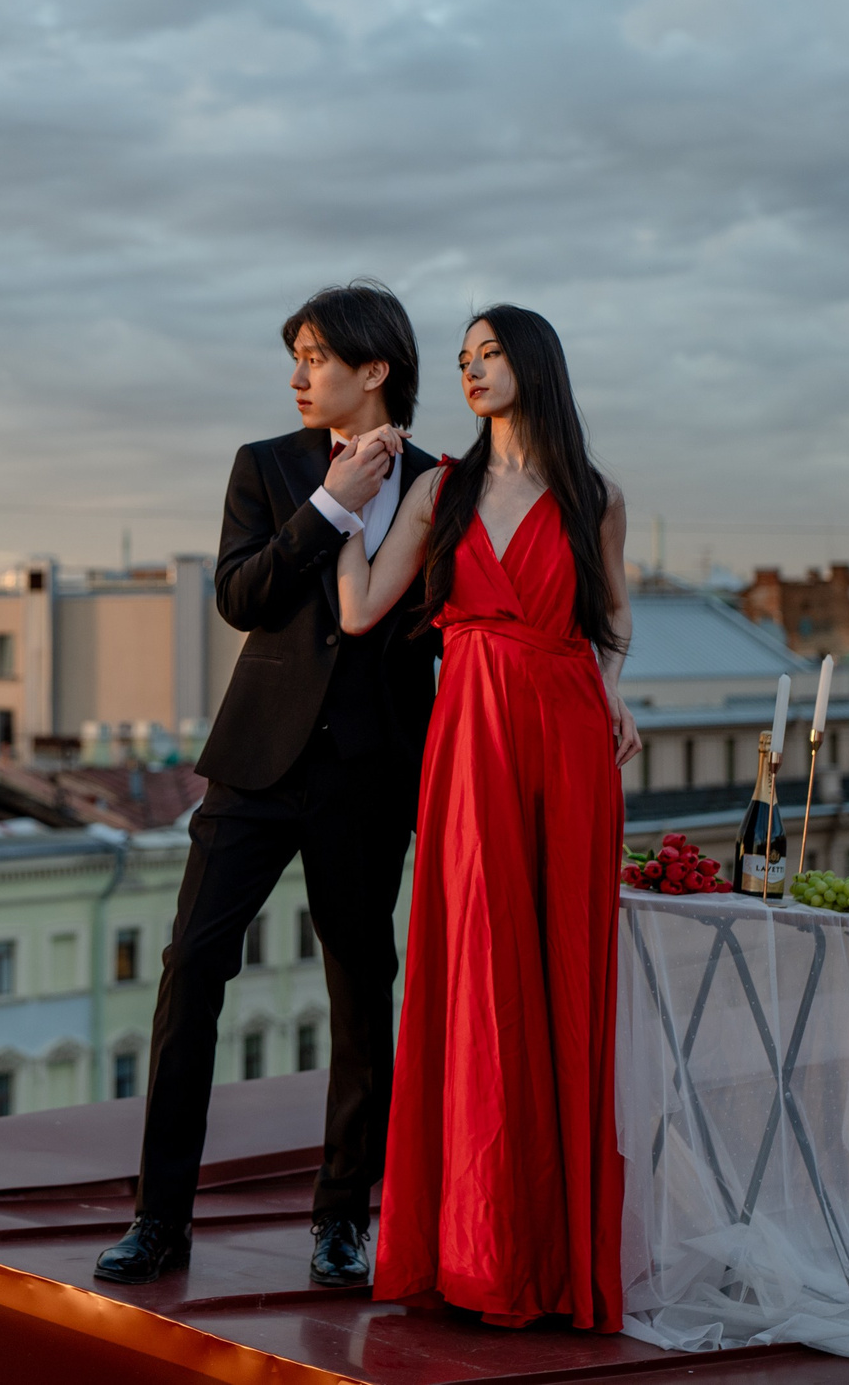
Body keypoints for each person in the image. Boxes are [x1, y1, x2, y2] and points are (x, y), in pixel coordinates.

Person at [94, 281, 444, 1289]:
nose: (297, 376)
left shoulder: (435, 483)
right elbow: (241, 598)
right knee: (191, 969)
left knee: (357, 991)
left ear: (372, 369)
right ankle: (159, 1219)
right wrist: (329, 505)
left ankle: (343, 1221)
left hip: (369, 772)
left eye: (316, 357)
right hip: (254, 765)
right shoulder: (267, 467)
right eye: (291, 356)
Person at [331, 303, 639, 1332]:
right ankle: (473, 1251)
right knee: (475, 972)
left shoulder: (596, 497)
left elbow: (608, 627)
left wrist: (613, 698)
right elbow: (364, 607)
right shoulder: (440, 488)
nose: (469, 370)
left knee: (560, 973)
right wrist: (336, 511)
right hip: (469, 740)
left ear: (534, 362)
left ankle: (552, 1257)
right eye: (462, 360)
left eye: (489, 353)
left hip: (567, 739)